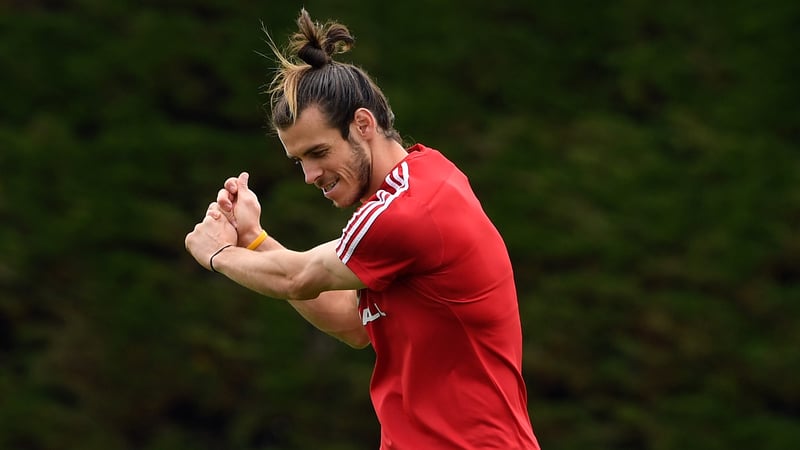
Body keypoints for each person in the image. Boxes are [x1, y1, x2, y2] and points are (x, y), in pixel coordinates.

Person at [185, 8, 540, 450]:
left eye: (319, 152)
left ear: (363, 124)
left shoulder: (408, 212)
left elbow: (297, 277)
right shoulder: (418, 185)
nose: (310, 176)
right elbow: (352, 324)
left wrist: (219, 253)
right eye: (300, 161)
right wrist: (255, 240)